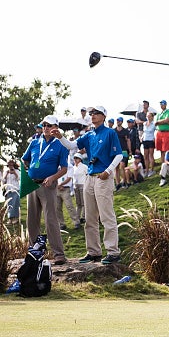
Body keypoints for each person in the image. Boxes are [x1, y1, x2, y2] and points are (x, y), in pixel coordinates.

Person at [54, 106, 123, 265]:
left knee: (106, 216)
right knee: (89, 217)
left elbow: (118, 155)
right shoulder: (88, 134)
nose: (93, 116)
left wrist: (108, 170)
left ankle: (113, 252)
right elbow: (71, 145)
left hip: (103, 177)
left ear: (104, 116)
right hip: (89, 177)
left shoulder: (110, 133)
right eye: (91, 113)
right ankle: (93, 252)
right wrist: (60, 137)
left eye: (96, 113)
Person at [22, 115, 69, 265]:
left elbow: (64, 169)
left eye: (49, 125)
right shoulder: (35, 142)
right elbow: (25, 158)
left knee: (51, 220)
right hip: (32, 185)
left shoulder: (60, 145)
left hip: (48, 185)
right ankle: (35, 252)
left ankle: (58, 254)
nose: (46, 128)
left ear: (56, 127)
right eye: (44, 125)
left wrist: (53, 177)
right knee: (32, 220)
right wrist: (28, 170)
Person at [56, 162, 81, 230]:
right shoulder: (55, 165)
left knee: (69, 206)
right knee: (57, 208)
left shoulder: (69, 166)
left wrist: (61, 185)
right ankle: (61, 224)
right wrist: (57, 185)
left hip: (65, 189)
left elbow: (69, 178)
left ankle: (76, 222)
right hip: (56, 189)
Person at [114, 117, 131, 190]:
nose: (118, 122)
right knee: (116, 167)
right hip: (115, 151)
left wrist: (130, 150)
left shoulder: (125, 131)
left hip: (124, 150)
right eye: (117, 120)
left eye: (120, 121)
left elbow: (128, 141)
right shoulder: (113, 131)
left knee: (122, 165)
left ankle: (124, 181)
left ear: (122, 122)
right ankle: (118, 184)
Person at [2, 159, 20, 225]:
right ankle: (10, 219)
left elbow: (19, 179)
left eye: (11, 165)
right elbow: (3, 181)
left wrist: (14, 173)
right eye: (9, 165)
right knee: (9, 204)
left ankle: (15, 218)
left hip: (15, 189)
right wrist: (6, 175)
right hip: (8, 190)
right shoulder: (5, 172)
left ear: (13, 165)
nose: (10, 166)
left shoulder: (17, 171)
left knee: (15, 204)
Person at [72, 153, 88, 224]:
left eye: (77, 158)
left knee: (83, 202)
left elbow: (87, 175)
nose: (75, 159)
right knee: (78, 203)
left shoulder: (84, 166)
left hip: (82, 184)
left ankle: (83, 217)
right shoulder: (73, 167)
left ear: (80, 159)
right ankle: (77, 217)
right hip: (76, 186)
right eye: (74, 158)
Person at [142, 111, 156, 177]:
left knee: (151, 155)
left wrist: (155, 138)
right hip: (145, 140)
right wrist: (141, 137)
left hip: (151, 140)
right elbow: (144, 132)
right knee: (145, 156)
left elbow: (156, 131)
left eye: (150, 116)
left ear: (152, 117)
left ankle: (152, 170)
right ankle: (147, 170)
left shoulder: (154, 124)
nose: (148, 117)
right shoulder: (144, 123)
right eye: (147, 116)